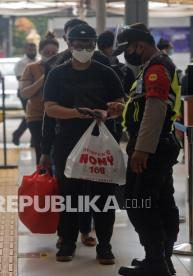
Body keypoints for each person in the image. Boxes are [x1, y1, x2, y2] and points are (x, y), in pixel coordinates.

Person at [43, 24, 125, 264]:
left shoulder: (106, 72)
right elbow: (49, 108)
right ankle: (67, 243)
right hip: (67, 142)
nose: (83, 49)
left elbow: (119, 103)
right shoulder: (57, 74)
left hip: (101, 143)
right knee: (70, 196)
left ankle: (105, 246)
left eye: (88, 45)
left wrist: (107, 112)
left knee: (102, 197)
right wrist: (77, 113)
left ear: (94, 45)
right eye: (78, 46)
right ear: (69, 46)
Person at [113, 23, 181, 276]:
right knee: (161, 202)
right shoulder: (155, 66)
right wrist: (122, 109)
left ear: (139, 46)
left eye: (128, 49)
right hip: (161, 144)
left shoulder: (156, 69)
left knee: (138, 202)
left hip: (151, 148)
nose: (126, 54)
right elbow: (146, 105)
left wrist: (142, 150)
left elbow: (155, 110)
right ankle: (163, 259)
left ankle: (156, 263)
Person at [20, 33, 59, 167]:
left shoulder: (63, 67)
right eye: (47, 52)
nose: (50, 55)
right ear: (41, 52)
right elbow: (25, 93)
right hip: (37, 116)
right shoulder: (31, 68)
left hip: (58, 114)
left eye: (54, 52)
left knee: (58, 151)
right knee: (42, 151)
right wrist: (44, 78)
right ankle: (43, 181)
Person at [12, 43, 38, 146]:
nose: (32, 51)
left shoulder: (39, 61)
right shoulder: (21, 63)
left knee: (35, 115)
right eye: (29, 49)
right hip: (25, 92)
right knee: (30, 115)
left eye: (33, 49)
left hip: (38, 91)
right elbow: (20, 78)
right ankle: (18, 134)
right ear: (25, 50)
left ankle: (33, 139)